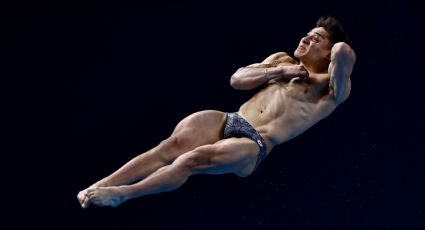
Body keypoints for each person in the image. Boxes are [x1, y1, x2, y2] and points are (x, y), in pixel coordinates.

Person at [77, 15, 356, 208]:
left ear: (328, 54)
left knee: (190, 160)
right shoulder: (281, 60)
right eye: (307, 33)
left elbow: (344, 51)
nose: (306, 38)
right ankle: (99, 185)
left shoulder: (330, 91)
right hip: (232, 118)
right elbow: (237, 79)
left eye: (316, 39)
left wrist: (328, 54)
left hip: (256, 143)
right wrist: (281, 70)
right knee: (168, 147)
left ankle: (122, 195)